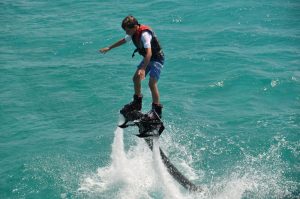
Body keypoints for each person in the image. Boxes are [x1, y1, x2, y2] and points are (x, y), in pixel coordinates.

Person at [100, 15, 165, 119]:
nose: (126, 33)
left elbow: (149, 53)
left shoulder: (145, 35)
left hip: (157, 58)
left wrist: (143, 69)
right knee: (135, 78)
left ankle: (156, 111)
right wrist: (109, 48)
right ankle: (137, 103)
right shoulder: (133, 32)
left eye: (127, 30)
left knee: (152, 83)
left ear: (135, 27)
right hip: (148, 59)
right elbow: (123, 40)